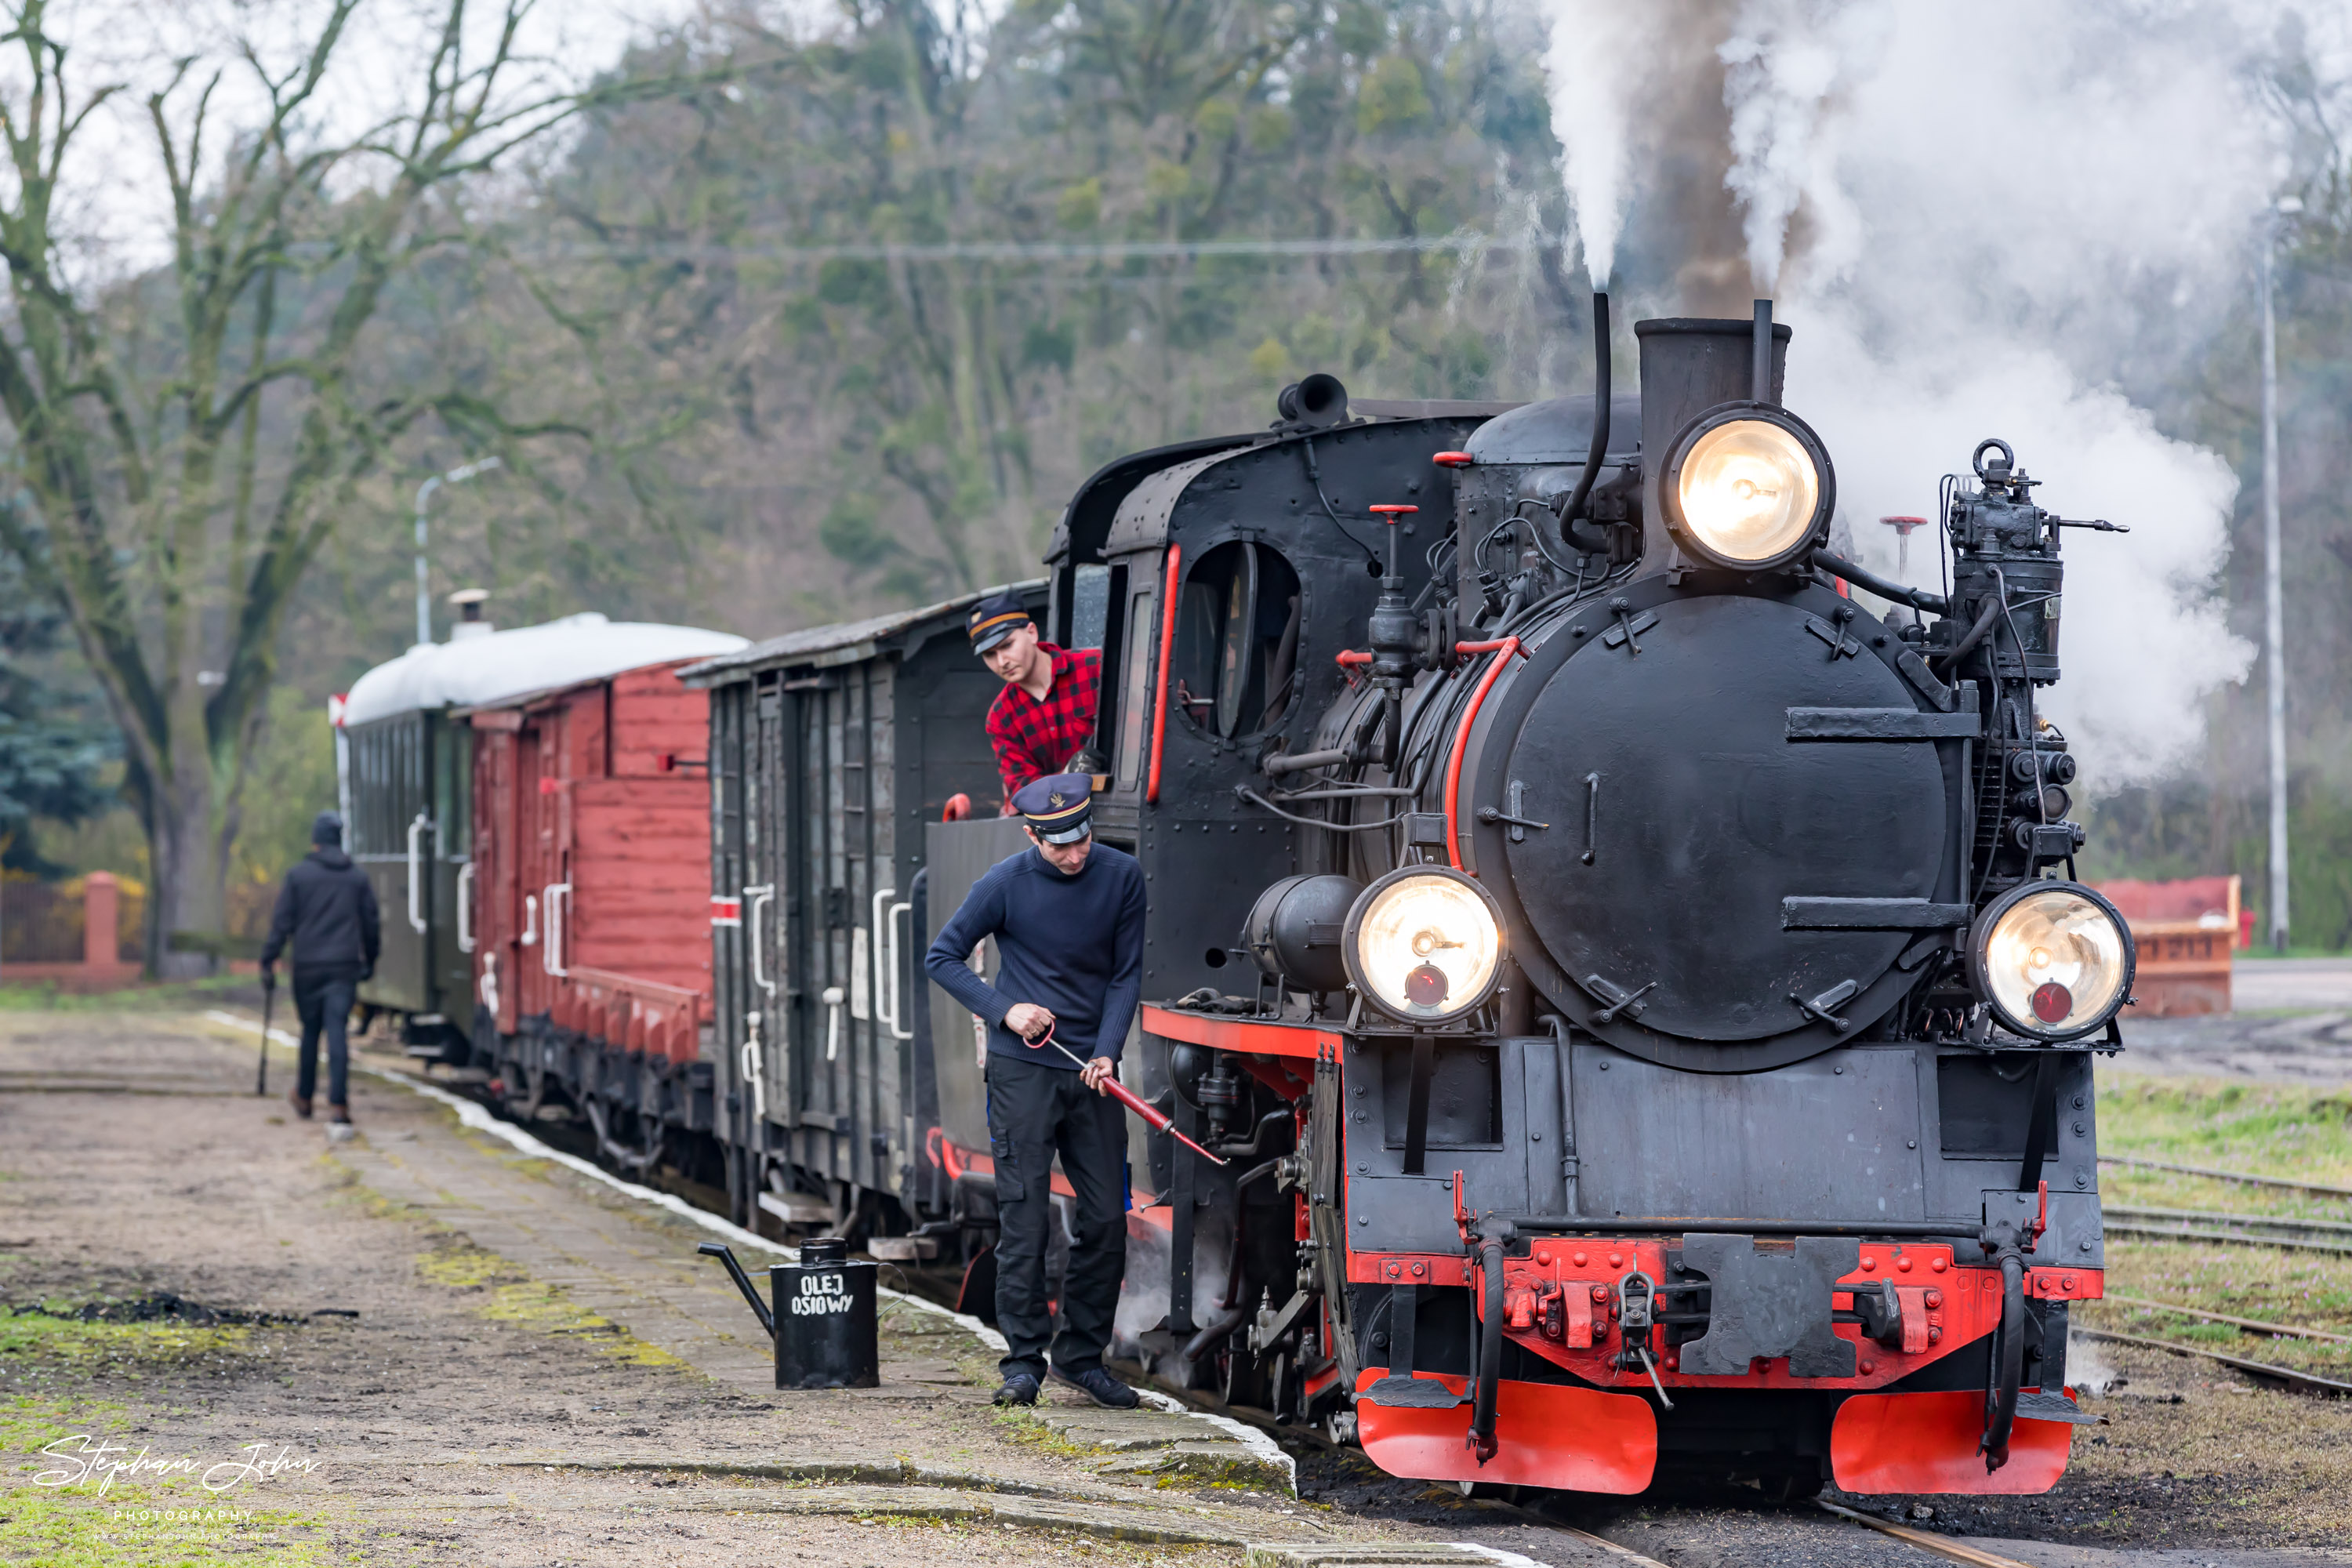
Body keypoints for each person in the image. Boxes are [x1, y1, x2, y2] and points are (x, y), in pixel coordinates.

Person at [924, 772, 1146, 1410]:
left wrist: (1108, 1050)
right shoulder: (1003, 884)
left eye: (1082, 839)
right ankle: (1022, 1363)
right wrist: (1005, 1011)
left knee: (1106, 1218)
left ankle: (1081, 1357)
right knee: (1024, 1220)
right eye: (1059, 846)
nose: (1074, 854)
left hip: (1092, 1072)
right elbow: (943, 957)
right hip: (1021, 1070)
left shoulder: (1122, 877)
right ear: (1032, 836)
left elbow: (1126, 975)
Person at [259, 811, 381, 1127]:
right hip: (344, 965)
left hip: (308, 966)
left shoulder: (298, 876)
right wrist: (371, 959)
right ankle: (339, 1104)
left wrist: (268, 960)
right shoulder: (356, 878)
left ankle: (305, 1096)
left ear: (315, 841)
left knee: (311, 1030)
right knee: (337, 1030)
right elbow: (371, 924)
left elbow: (281, 923)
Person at [969, 590, 1102, 810]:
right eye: (990, 655)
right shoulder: (1001, 718)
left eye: (1006, 645)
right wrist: (1069, 776)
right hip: (1059, 827)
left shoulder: (1095, 668)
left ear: (1031, 633)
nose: (1002, 661)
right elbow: (1024, 791)